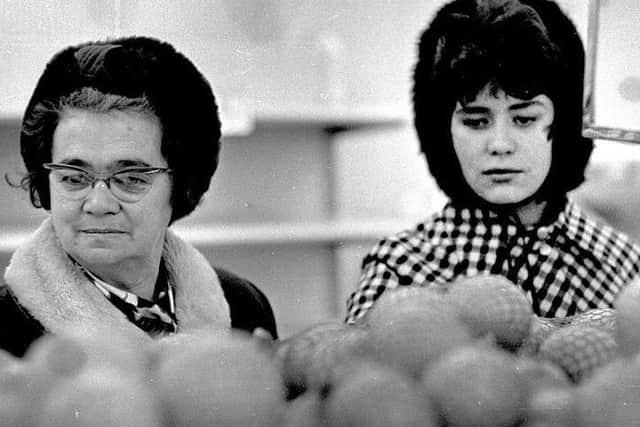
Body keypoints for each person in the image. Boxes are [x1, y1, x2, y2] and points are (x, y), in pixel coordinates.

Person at [346, 0, 640, 324]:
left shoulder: (624, 265)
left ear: (567, 126)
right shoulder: (401, 268)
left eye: (525, 119)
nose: (499, 145)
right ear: (442, 132)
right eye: (476, 121)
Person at [1, 36, 277, 357]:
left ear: (182, 185)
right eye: (74, 178)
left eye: (131, 178)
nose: (98, 204)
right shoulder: (5, 328)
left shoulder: (242, 306)